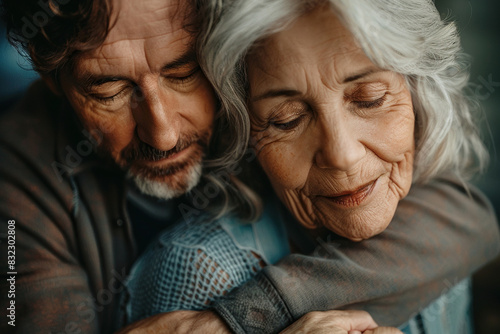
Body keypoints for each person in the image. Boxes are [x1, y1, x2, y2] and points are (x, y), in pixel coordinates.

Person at [0, 0, 498, 333]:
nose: (163, 132)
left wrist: (242, 319)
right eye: (108, 91)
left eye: (183, 72)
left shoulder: (279, 71)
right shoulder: (17, 173)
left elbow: (467, 218)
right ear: (54, 82)